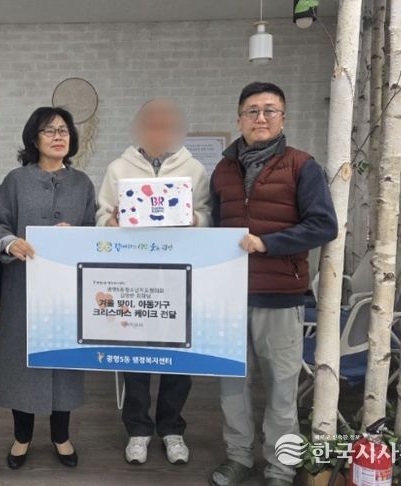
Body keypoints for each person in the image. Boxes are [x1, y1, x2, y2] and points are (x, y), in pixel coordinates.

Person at [208, 82, 338, 486]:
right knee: (233, 387)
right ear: (239, 120)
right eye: (252, 111)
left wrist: (267, 243)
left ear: (283, 118)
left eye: (269, 110)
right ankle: (238, 457)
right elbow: (213, 227)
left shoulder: (302, 165)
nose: (260, 118)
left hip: (280, 296)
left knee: (282, 390)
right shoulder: (223, 169)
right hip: (229, 298)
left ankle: (281, 468)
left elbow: (324, 225)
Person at [96, 98, 212, 465]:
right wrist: (110, 221)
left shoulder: (194, 169)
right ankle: (138, 430)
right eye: (151, 124)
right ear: (138, 127)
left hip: (180, 276)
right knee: (136, 358)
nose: (158, 131)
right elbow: (100, 216)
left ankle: (172, 429)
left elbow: (209, 216)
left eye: (166, 124)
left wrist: (195, 219)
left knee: (179, 357)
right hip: (135, 278)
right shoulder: (118, 168)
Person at [0, 106, 96, 470]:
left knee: (63, 361)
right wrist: (10, 243)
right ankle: (21, 437)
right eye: (49, 130)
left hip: (67, 290)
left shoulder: (82, 183)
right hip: (23, 286)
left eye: (64, 130)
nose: (58, 136)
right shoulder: (15, 180)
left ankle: (61, 436)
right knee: (23, 360)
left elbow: (94, 231)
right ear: (34, 139)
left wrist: (77, 236)